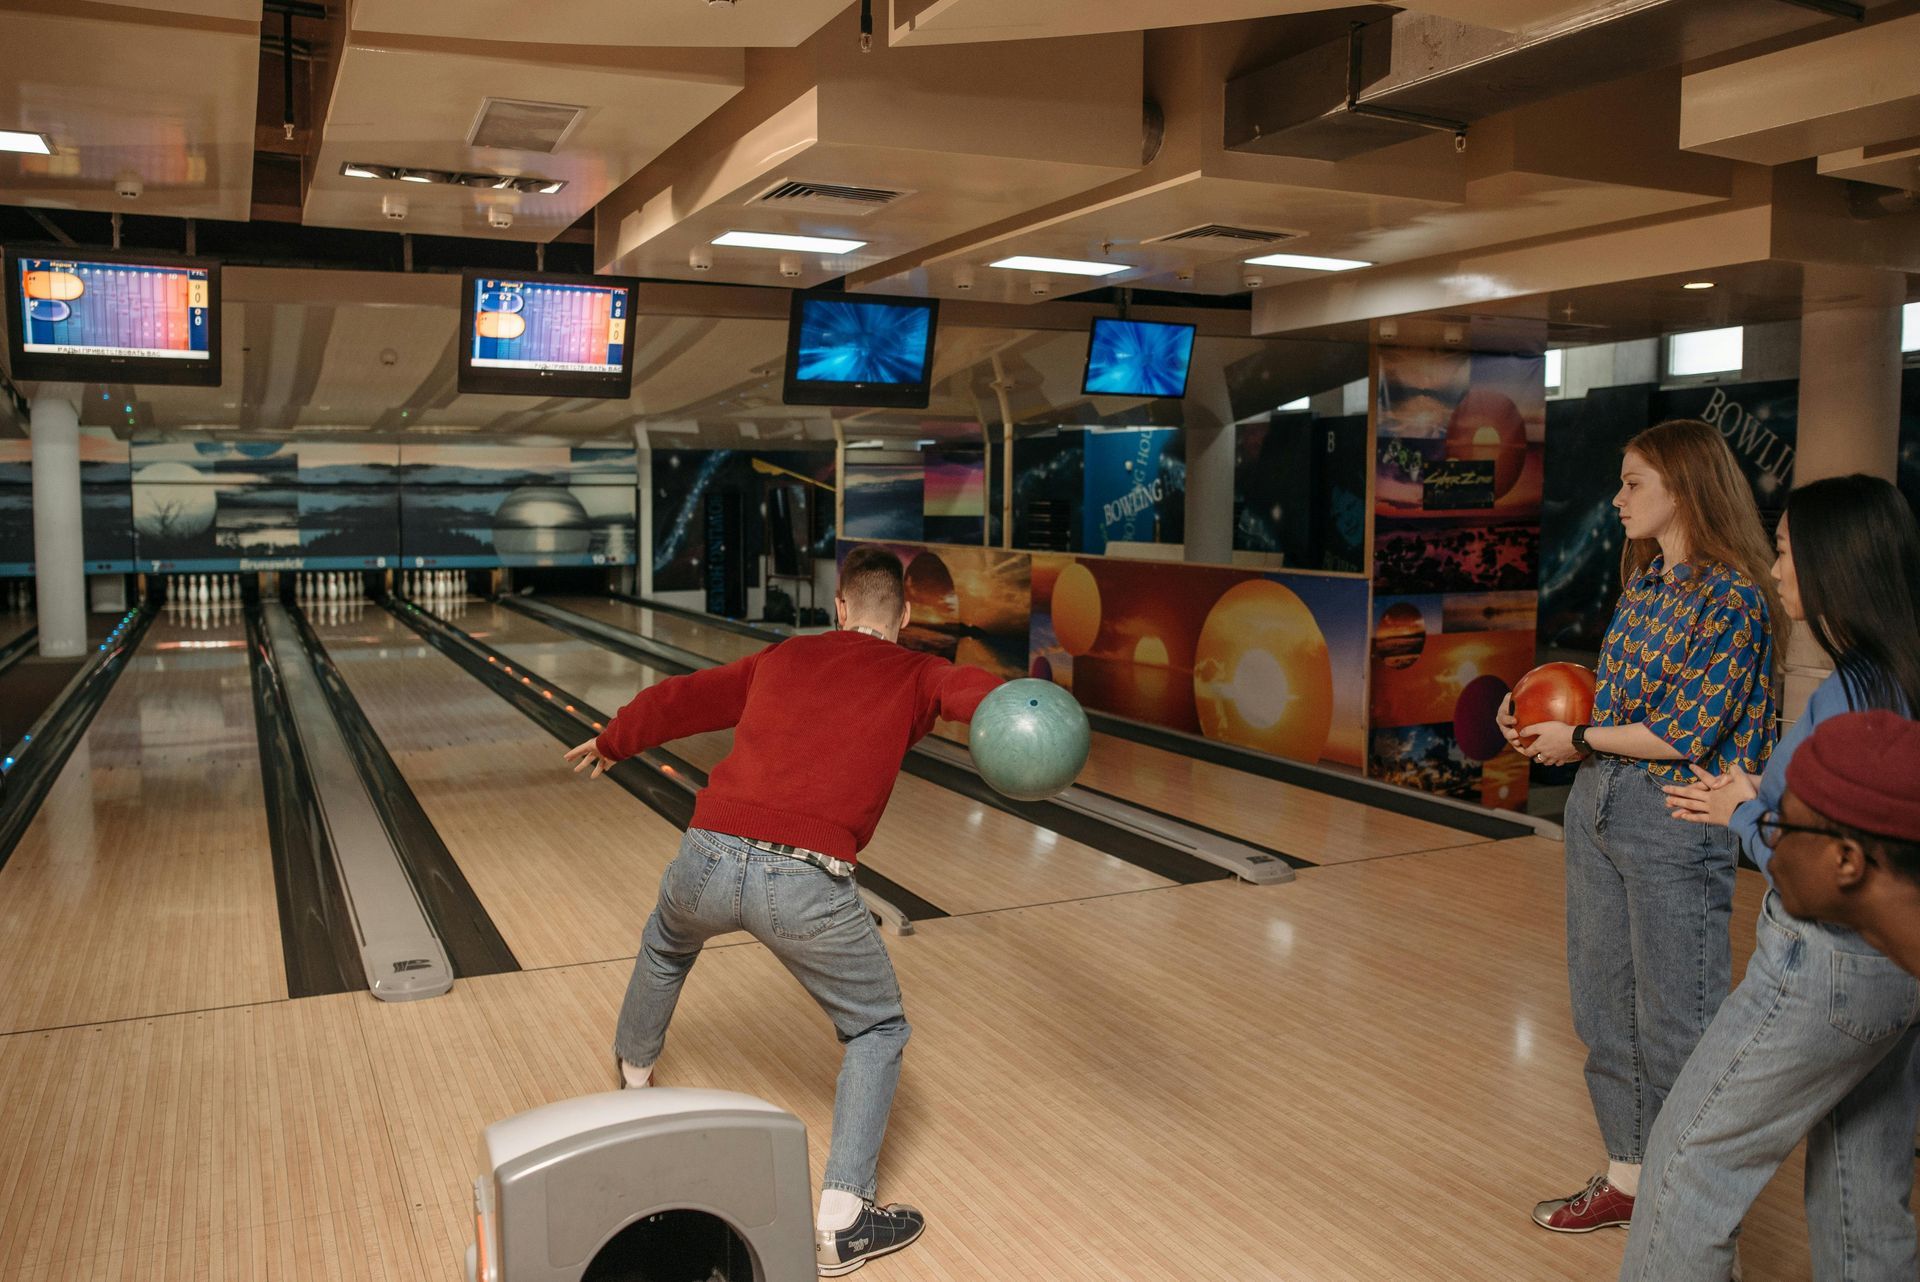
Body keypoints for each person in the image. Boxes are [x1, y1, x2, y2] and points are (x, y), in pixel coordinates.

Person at [564, 545, 1001, 1277]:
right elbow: (980, 697)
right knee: (877, 1026)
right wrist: (1038, 711)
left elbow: (685, 697)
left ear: (839, 607)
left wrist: (616, 741)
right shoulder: (919, 672)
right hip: (804, 879)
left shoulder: (786, 656)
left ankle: (635, 1079)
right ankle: (844, 1218)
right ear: (907, 614)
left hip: (705, 852)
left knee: (667, 945)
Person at [1620, 475, 1920, 1279]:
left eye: (1786, 551)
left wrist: (1744, 814)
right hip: (1897, 975)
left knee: (1686, 1167)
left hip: (1820, 969)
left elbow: (1815, 860)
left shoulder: (1847, 696)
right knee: (1865, 1193)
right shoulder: (1902, 676)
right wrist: (1767, 791)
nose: (1778, 569)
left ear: (1833, 563)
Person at [1501, 419, 1780, 1233]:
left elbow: (1688, 731)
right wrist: (1548, 722)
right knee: (1603, 1010)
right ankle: (1631, 1177)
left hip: (1673, 819)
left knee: (1677, 1028)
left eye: (1634, 483)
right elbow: (1618, 707)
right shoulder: (1648, 582)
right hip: (1601, 804)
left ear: (1684, 490)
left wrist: (1579, 737)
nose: (1617, 497)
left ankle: (1695, 1216)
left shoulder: (1733, 597)